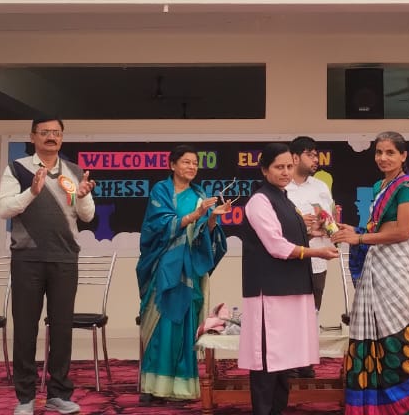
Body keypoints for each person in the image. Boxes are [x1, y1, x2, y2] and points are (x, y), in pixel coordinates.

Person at [0, 118, 97, 415]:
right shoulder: (17, 168)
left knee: (62, 328)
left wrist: (82, 197)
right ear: (33, 137)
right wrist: (32, 191)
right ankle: (25, 397)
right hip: (27, 259)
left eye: (56, 133)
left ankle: (59, 393)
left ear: (62, 137)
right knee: (25, 329)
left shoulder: (74, 171)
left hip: (64, 258)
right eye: (45, 133)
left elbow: (87, 215)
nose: (51, 137)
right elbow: (3, 209)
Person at [330, 131, 409, 415]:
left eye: (390, 152)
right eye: (379, 152)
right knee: (371, 334)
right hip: (378, 265)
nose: (383, 158)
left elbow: (402, 231)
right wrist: (356, 230)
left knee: (395, 335)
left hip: (398, 269)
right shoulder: (379, 186)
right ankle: (372, 405)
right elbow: (379, 229)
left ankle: (400, 404)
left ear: (403, 156)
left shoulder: (406, 187)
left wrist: (359, 238)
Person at [241, 143, 340, 415]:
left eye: (288, 166)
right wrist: (317, 251)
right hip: (269, 292)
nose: (285, 172)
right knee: (267, 361)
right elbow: (276, 246)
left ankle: (277, 410)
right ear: (264, 170)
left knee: (285, 361)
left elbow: (290, 237)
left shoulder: (284, 199)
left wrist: (314, 232)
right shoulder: (260, 201)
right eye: (278, 167)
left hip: (291, 288)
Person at [137, 145, 230, 403]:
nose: (192, 167)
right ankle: (152, 388)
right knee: (161, 326)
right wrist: (194, 215)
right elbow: (157, 226)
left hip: (189, 272)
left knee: (184, 327)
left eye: (195, 163)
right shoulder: (161, 191)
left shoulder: (199, 194)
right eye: (186, 162)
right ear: (173, 165)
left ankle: (180, 388)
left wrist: (211, 220)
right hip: (163, 269)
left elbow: (205, 237)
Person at [284, 136, 336, 379]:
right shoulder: (282, 187)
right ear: (295, 158)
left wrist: (328, 224)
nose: (316, 159)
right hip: (289, 260)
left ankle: (306, 361)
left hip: (317, 260)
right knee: (287, 312)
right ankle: (286, 361)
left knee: (312, 312)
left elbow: (331, 222)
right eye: (310, 154)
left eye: (316, 154)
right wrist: (298, 225)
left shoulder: (320, 187)